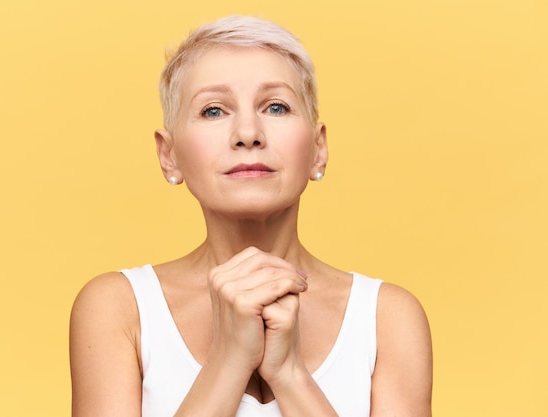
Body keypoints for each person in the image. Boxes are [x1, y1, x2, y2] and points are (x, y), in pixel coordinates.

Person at [69, 15, 432, 417]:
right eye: (212, 110)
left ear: (318, 149)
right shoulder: (119, 308)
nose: (247, 132)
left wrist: (290, 373)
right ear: (168, 156)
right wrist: (228, 359)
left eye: (276, 106)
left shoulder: (388, 318)